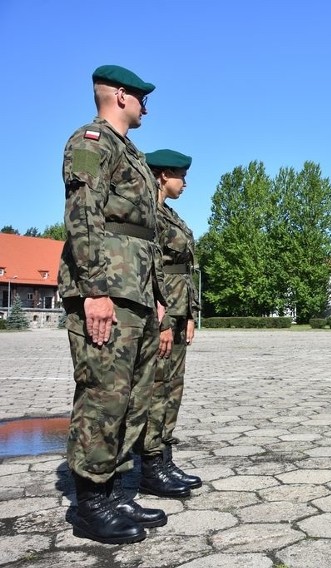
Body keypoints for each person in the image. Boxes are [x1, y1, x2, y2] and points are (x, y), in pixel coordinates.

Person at [60, 65, 173, 544]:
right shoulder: (92, 141)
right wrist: (95, 290)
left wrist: (158, 297)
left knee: (132, 396)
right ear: (121, 95)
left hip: (138, 292)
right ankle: (89, 503)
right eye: (142, 98)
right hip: (108, 288)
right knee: (104, 394)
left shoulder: (133, 154)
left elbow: (147, 235)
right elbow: (84, 215)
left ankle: (115, 490)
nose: (146, 107)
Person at [137, 149, 202, 499]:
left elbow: (185, 272)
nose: (185, 182)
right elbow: (150, 269)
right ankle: (150, 464)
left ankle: (164, 457)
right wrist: (161, 317)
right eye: (180, 174)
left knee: (172, 388)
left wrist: (189, 314)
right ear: (162, 175)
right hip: (161, 313)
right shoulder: (148, 213)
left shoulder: (169, 214)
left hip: (177, 312)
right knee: (156, 389)